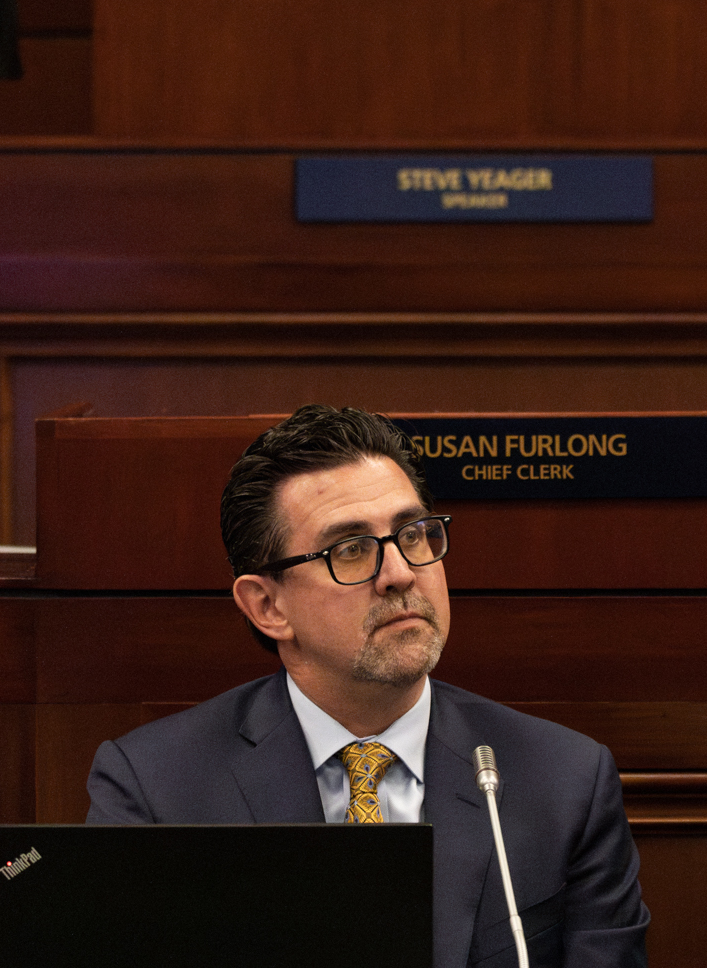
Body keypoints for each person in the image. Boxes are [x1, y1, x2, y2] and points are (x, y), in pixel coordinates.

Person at [87, 404, 650, 968]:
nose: (402, 573)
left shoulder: (565, 780)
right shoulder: (156, 791)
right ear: (267, 606)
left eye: (414, 535)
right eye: (350, 550)